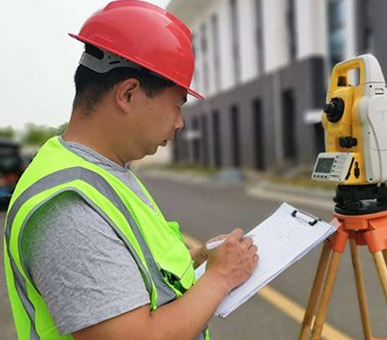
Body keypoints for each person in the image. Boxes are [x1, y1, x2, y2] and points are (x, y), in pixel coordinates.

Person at [3, 1, 258, 339]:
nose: (180, 122)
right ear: (128, 94)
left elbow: (137, 267)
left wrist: (199, 258)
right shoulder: (68, 207)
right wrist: (220, 277)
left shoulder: (101, 170)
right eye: (177, 106)